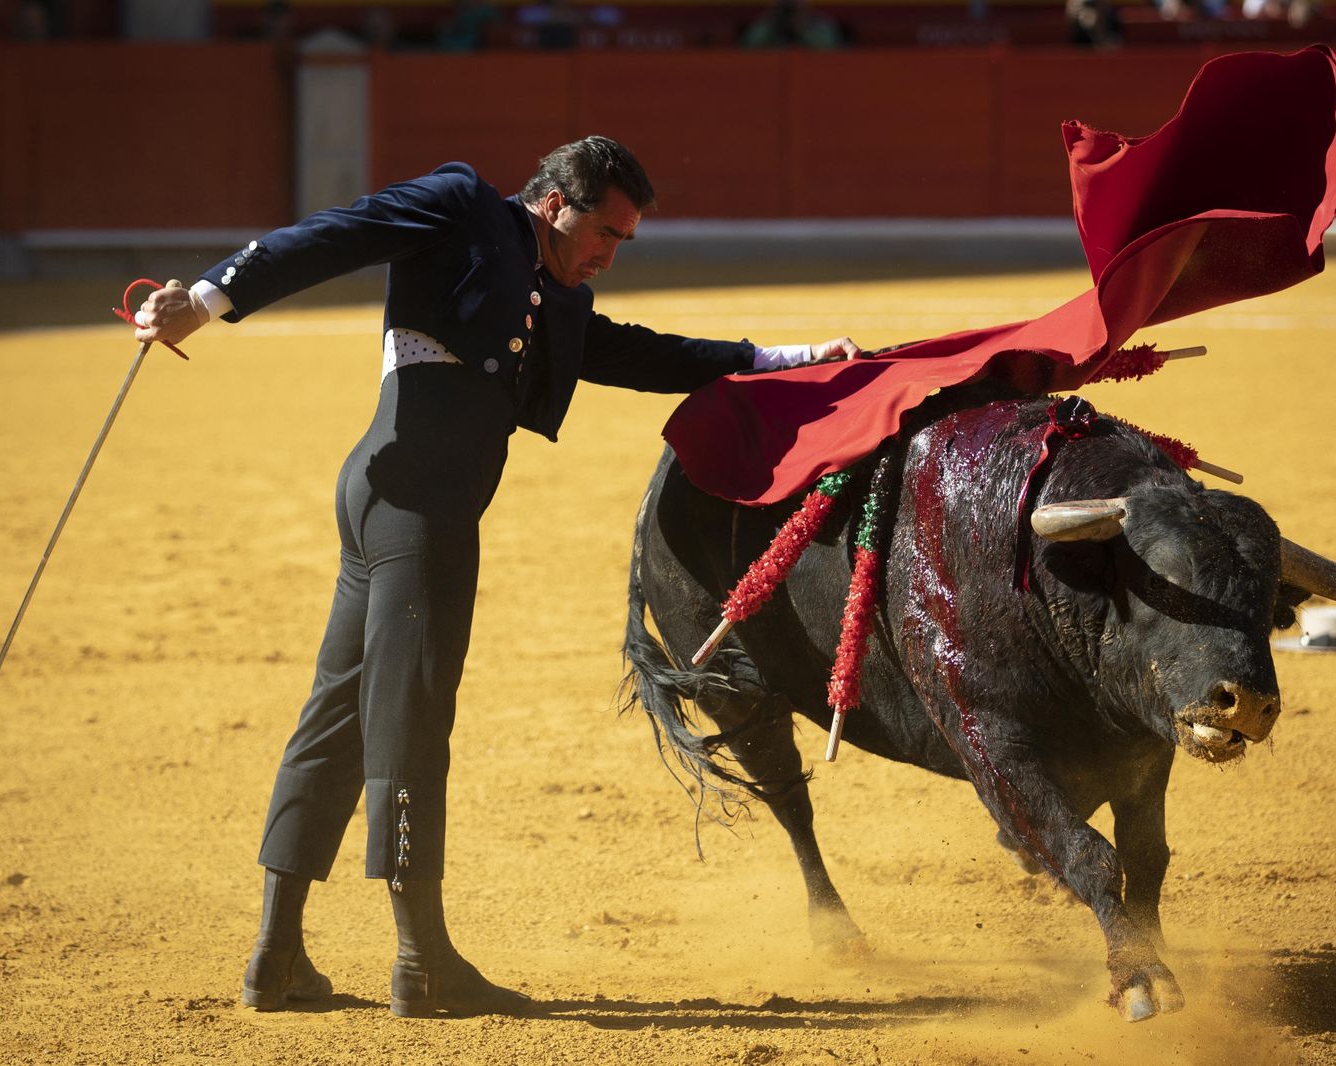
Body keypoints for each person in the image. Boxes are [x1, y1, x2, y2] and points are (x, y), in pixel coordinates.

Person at [132, 136, 860, 1018]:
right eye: (604, 230)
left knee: (339, 713)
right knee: (412, 716)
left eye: (624, 241)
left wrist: (778, 359)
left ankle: (276, 957)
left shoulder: (556, 296)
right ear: (555, 199)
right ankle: (421, 960)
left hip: (393, 496)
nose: (609, 254)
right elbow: (337, 233)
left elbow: (637, 353)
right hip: (417, 504)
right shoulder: (463, 206)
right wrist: (206, 298)